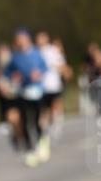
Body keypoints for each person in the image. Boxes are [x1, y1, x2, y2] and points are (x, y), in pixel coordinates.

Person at [5, 28, 49, 167]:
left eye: (22, 39)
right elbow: (7, 73)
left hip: (37, 92)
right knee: (24, 121)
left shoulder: (36, 53)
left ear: (28, 39)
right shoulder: (15, 57)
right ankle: (30, 148)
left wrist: (39, 73)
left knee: (36, 119)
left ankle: (41, 142)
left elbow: (45, 68)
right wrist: (13, 77)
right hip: (23, 92)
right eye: (18, 40)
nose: (20, 42)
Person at [37, 30, 71, 152]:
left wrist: (64, 71)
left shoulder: (53, 50)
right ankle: (45, 130)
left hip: (53, 84)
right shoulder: (35, 52)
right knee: (44, 110)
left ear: (46, 39)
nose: (39, 40)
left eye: (41, 38)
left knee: (55, 106)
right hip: (41, 86)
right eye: (38, 38)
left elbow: (62, 65)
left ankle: (57, 125)